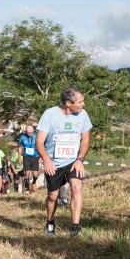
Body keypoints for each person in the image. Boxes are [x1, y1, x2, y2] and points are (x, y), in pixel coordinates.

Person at [35, 86, 92, 237]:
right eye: (80, 102)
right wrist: (46, 160)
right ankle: (50, 221)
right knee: (53, 196)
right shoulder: (49, 115)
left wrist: (80, 159)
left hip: (73, 161)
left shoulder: (83, 114)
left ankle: (75, 227)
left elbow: (85, 138)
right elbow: (39, 142)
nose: (83, 104)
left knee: (76, 187)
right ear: (68, 103)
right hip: (53, 163)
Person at [18, 124, 41, 195]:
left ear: (33, 131)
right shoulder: (22, 137)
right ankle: (27, 189)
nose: (29, 134)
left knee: (35, 175)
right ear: (25, 131)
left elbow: (41, 146)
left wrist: (41, 157)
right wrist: (19, 157)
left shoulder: (37, 136)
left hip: (35, 156)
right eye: (28, 132)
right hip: (26, 157)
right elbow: (20, 148)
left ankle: (34, 182)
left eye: (31, 132)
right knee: (27, 173)